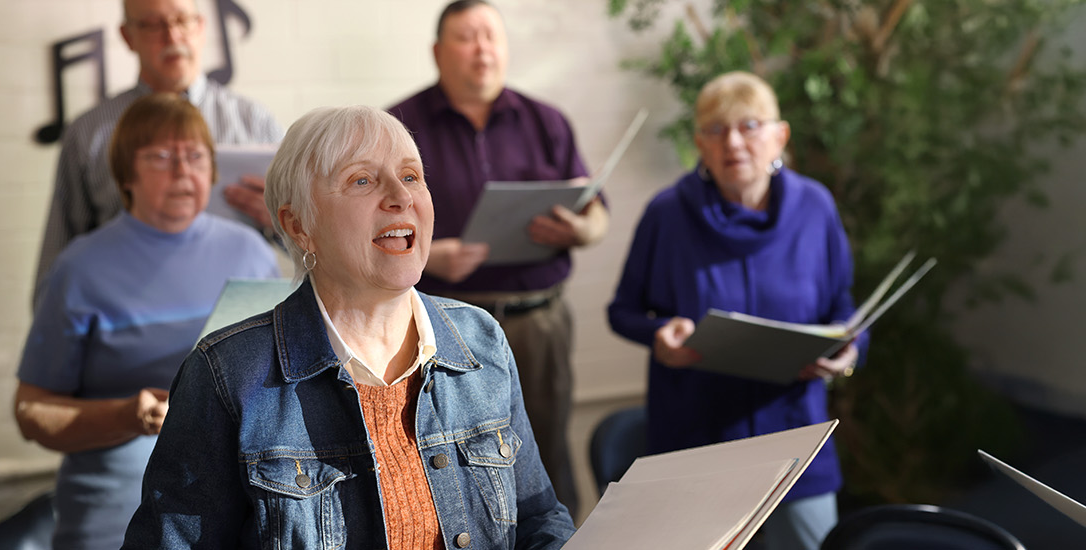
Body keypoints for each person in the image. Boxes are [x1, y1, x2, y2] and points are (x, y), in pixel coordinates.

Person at [123, 105, 573, 549]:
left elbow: (539, 519)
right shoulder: (225, 374)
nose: (401, 196)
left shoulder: (480, 340)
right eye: (362, 180)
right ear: (299, 225)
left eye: (412, 176)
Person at [606, 71, 863, 550]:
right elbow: (622, 311)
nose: (734, 142)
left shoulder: (816, 208)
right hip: (694, 434)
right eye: (716, 130)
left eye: (749, 126)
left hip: (794, 434)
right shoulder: (666, 214)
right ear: (700, 143)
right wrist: (660, 336)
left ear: (779, 136)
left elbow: (843, 308)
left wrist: (847, 356)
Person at [15, 93, 280, 550]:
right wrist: (127, 415)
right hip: (114, 504)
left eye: (195, 156)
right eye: (160, 156)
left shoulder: (252, 254)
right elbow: (32, 412)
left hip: (238, 504)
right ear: (126, 174)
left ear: (213, 170)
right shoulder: (79, 268)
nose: (182, 171)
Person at [383, 0, 607, 511]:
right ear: (438, 53)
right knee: (447, 463)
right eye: (466, 38)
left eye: (491, 36)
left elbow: (597, 214)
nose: (481, 49)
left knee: (546, 456)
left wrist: (579, 228)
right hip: (442, 324)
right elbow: (373, 222)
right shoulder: (397, 126)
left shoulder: (546, 121)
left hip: (538, 321)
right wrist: (428, 257)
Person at [36, 0, 284, 297]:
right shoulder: (89, 133)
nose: (172, 36)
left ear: (201, 27)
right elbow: (61, 251)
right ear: (128, 36)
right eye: (153, 25)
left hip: (236, 316)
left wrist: (281, 222)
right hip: (129, 316)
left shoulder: (254, 123)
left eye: (182, 21)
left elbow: (309, 244)